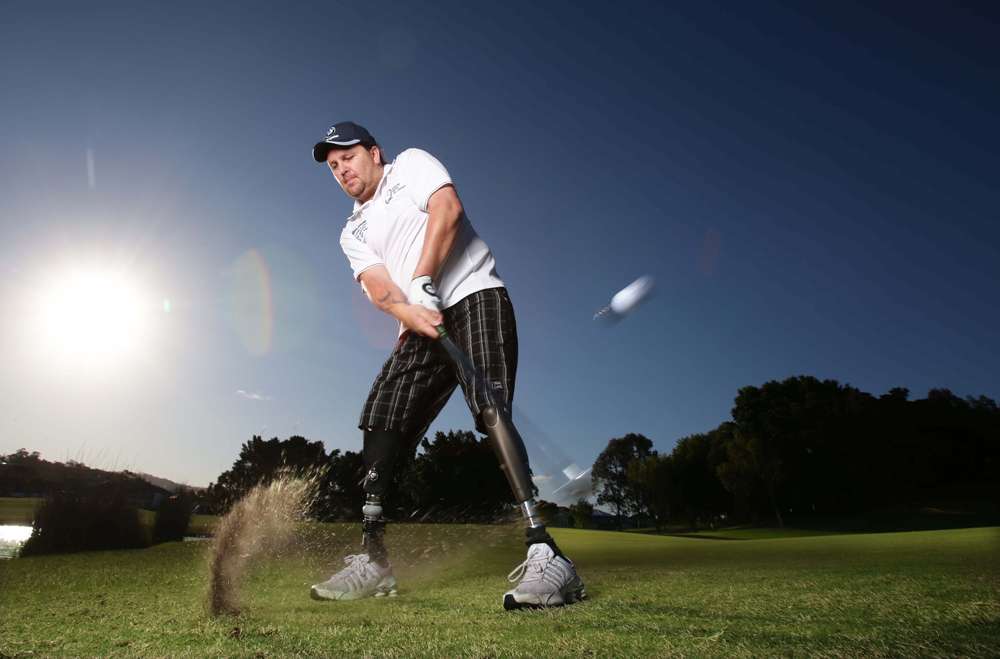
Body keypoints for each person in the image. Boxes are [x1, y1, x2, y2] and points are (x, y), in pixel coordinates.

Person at [307, 121, 585, 610]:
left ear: (374, 152)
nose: (341, 170)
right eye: (333, 166)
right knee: (381, 417)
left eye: (347, 157)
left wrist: (423, 277)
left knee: (489, 403)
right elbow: (376, 285)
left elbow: (448, 209)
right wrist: (407, 308)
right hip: (418, 320)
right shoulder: (352, 230)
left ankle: (547, 552)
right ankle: (374, 560)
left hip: (474, 294)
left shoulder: (410, 164)